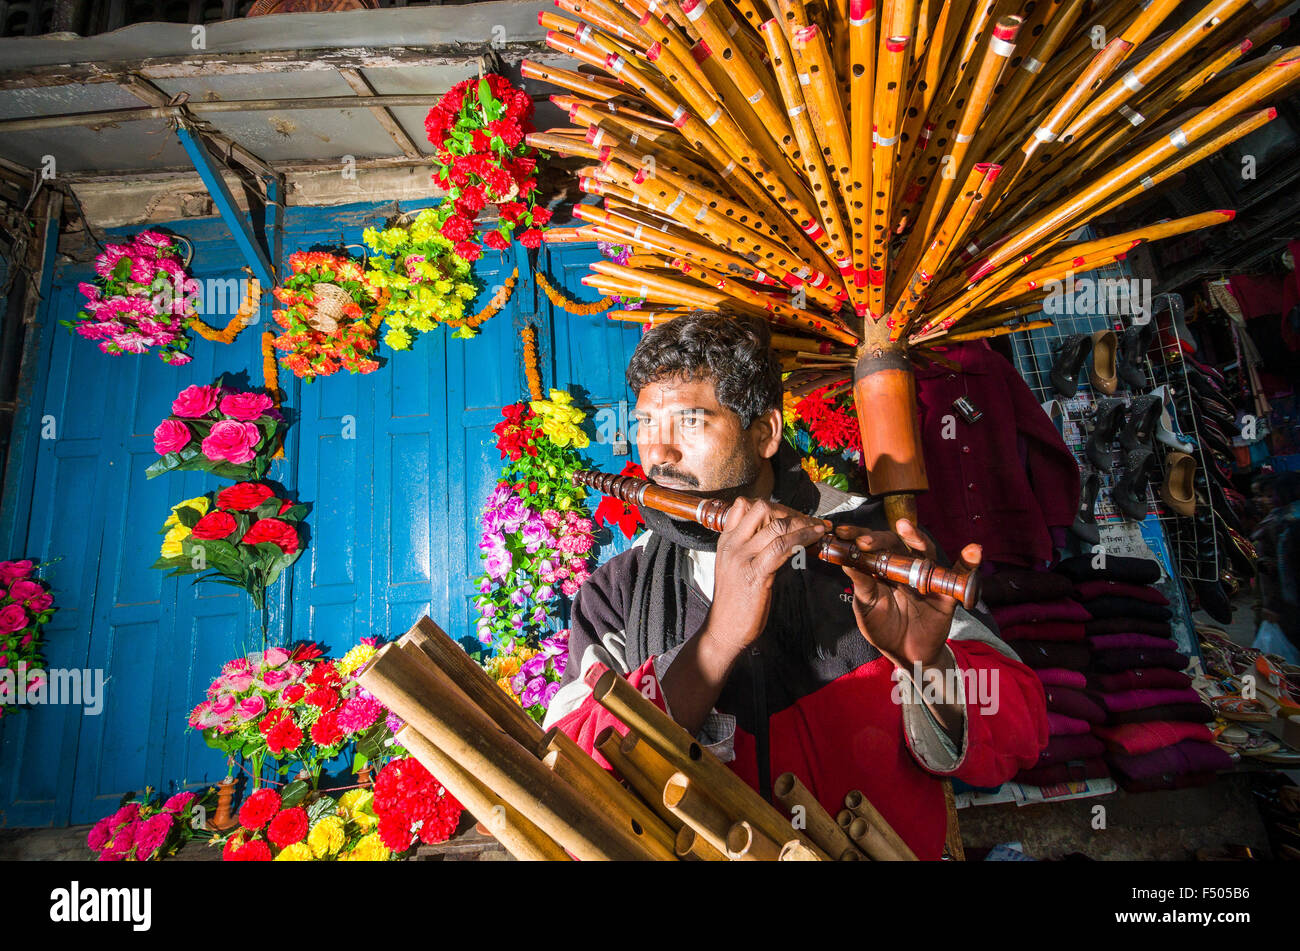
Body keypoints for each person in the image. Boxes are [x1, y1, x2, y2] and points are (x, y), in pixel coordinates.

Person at [544, 312, 1049, 860]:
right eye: (645, 423)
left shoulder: (877, 540)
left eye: (690, 421)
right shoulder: (616, 592)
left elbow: (1021, 733)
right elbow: (568, 784)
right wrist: (714, 646)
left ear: (764, 432)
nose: (657, 453)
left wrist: (927, 667)